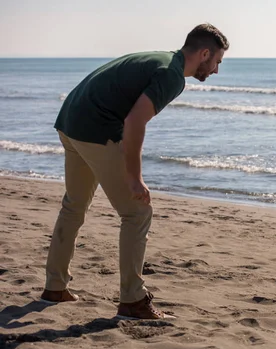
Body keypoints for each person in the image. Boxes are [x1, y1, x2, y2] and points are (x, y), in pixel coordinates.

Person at [41, 23, 229, 319]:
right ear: (204, 53)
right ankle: (132, 300)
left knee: (74, 205)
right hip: (94, 128)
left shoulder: (161, 59)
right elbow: (135, 122)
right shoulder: (172, 76)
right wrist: (135, 178)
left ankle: (54, 288)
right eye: (217, 61)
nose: (216, 69)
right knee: (137, 212)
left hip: (70, 121)